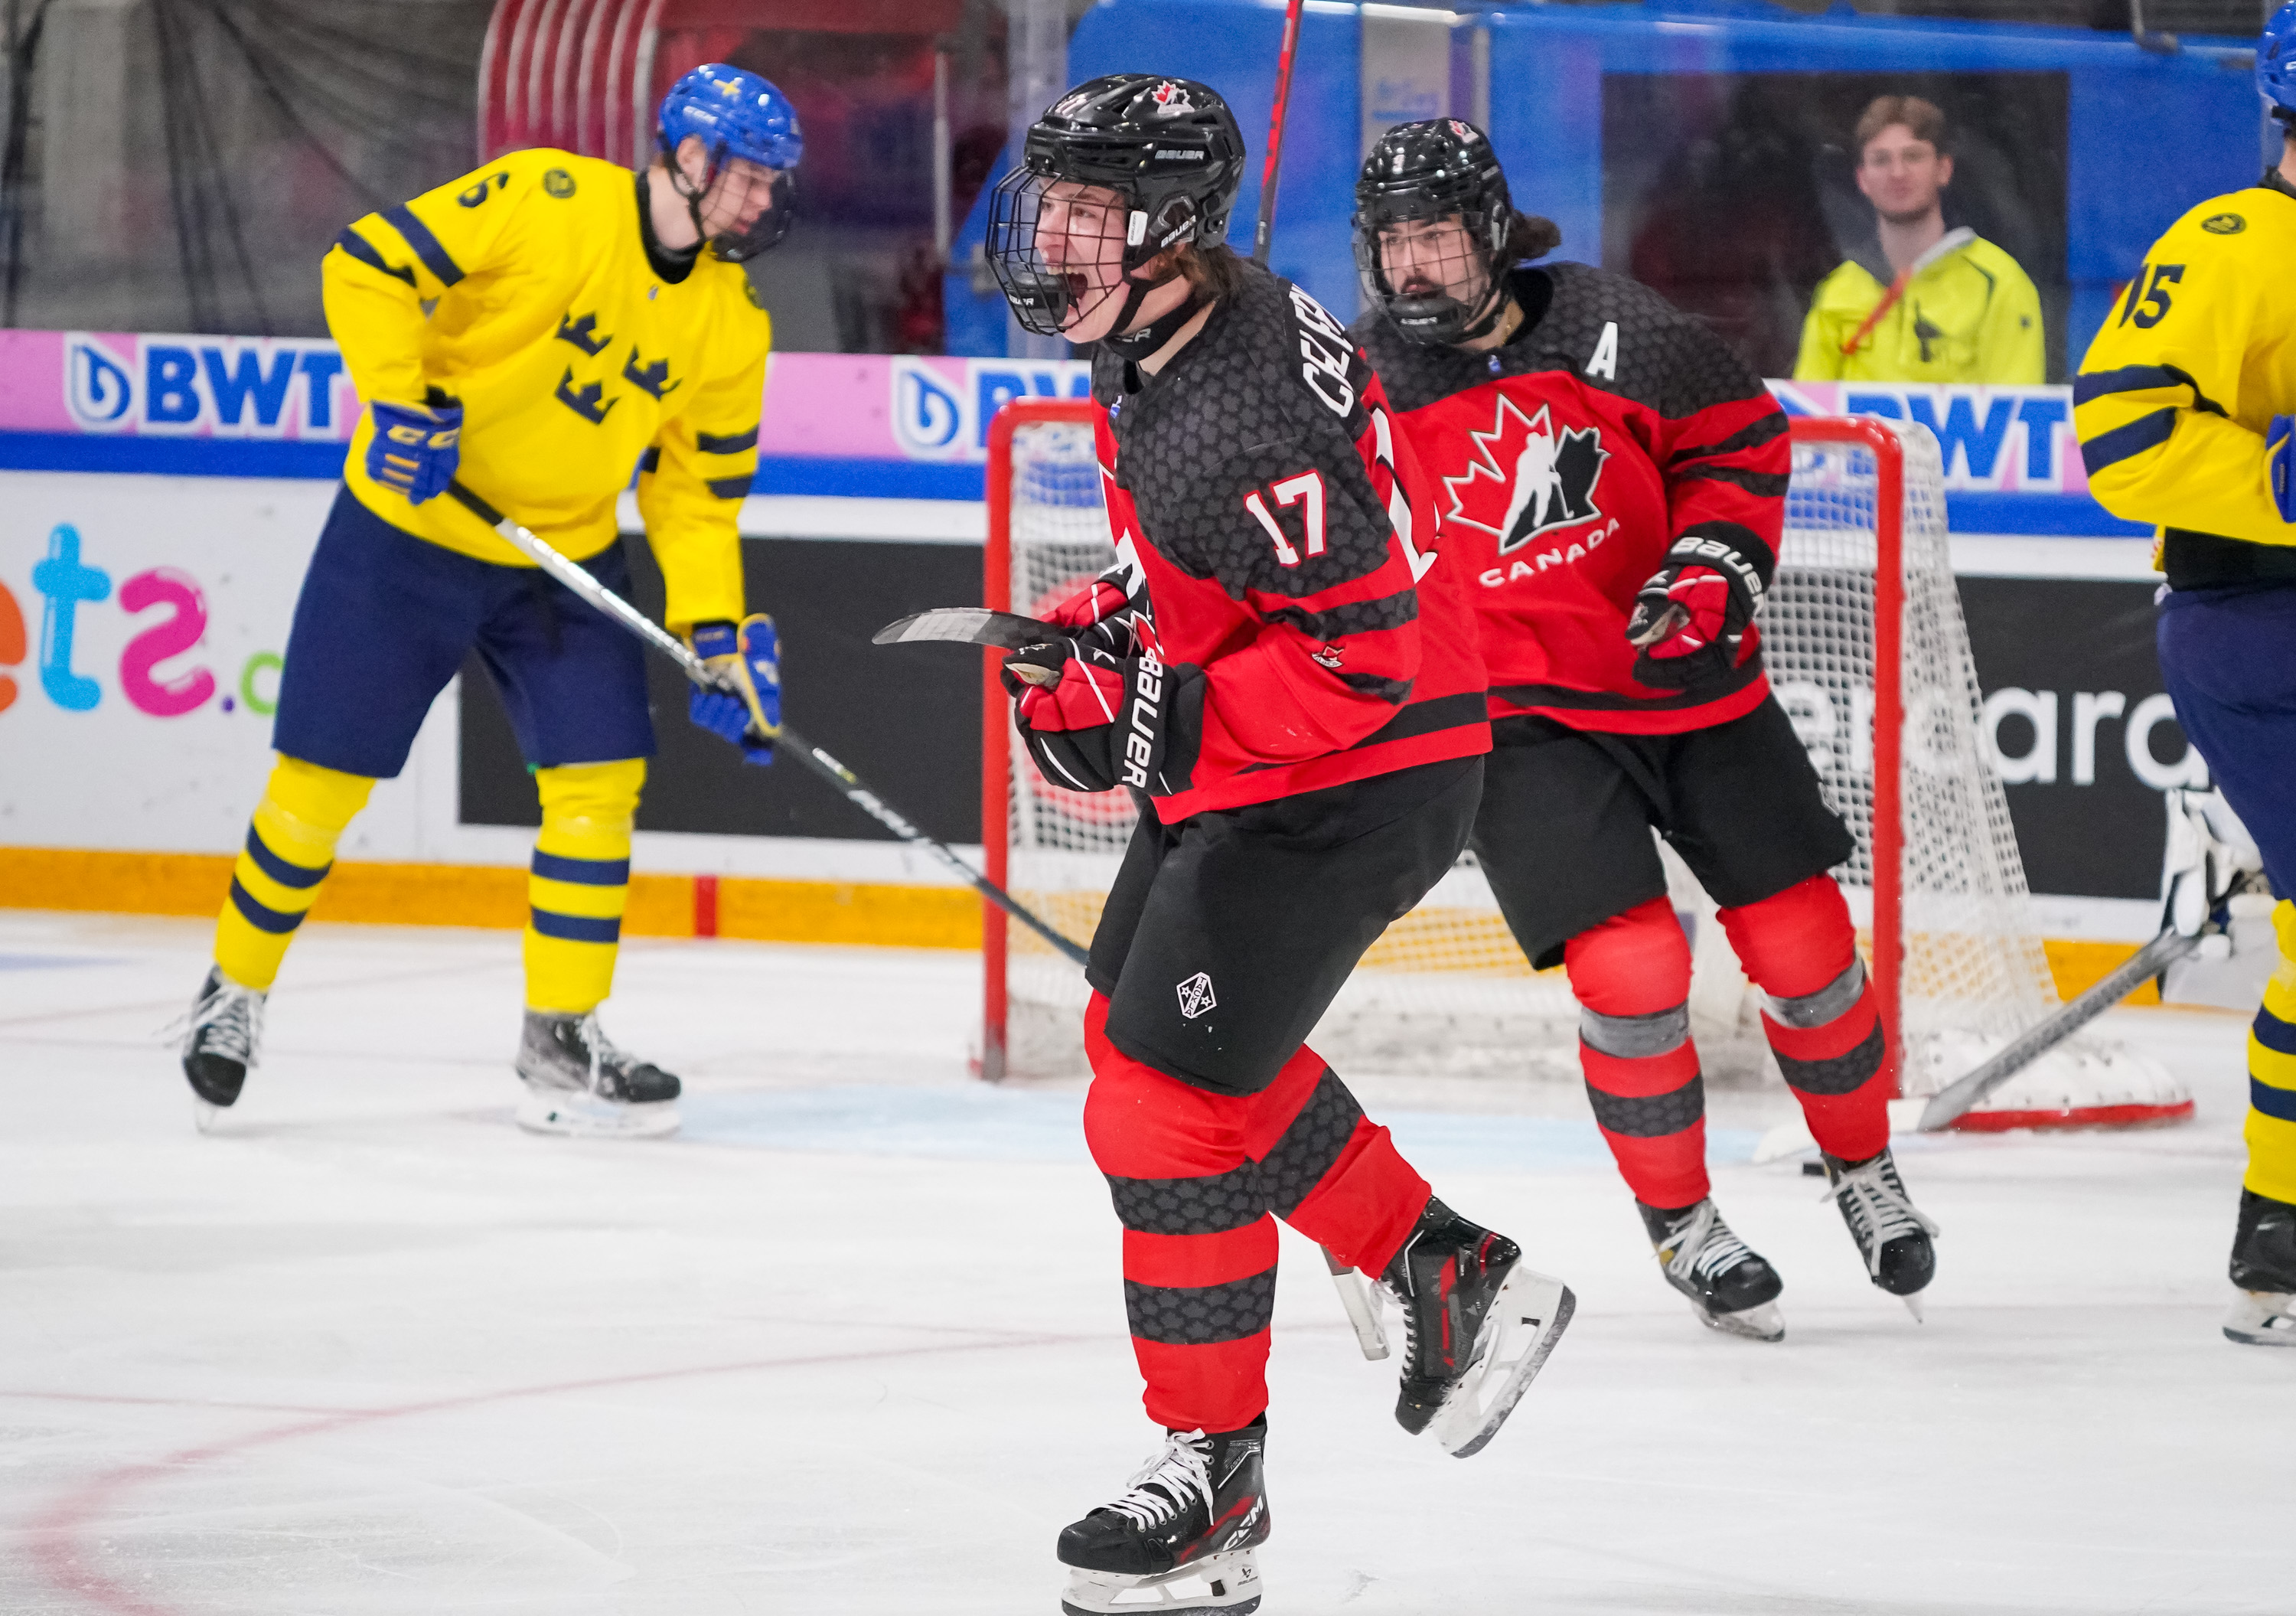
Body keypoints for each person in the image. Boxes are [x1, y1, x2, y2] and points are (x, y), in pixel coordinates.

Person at [980, 75, 1574, 1614]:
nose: (1055, 235)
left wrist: (1148, 718)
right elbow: (1213, 569)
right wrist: (1110, 632)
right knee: (1150, 1038)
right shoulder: (1178, 330)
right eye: (1054, 202)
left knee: (1167, 1100)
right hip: (1316, 743)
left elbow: (1356, 654)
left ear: (1174, 222)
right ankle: (1441, 1262)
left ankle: (1212, 1478)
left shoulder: (1232, 399)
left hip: (1364, 761)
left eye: (1091, 210)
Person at [1348, 118, 1939, 1343]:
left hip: (1689, 682)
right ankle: (1683, 1222)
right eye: (1392, 240)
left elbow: (1742, 446)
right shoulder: (1359, 385)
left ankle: (1865, 1165)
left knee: (1807, 945)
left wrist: (1717, 559)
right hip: (1521, 721)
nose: (1412, 266)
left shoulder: (1616, 328)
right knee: (1632, 972)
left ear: (1495, 231)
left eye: (1437, 236)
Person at [174, 64, 797, 1141]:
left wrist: (713, 634)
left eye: (773, 186)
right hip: (405, 535)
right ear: (689, 159)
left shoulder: (733, 326)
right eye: (749, 179)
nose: (763, 204)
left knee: (600, 781)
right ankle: (233, 991)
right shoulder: (545, 199)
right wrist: (404, 399)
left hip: (559, 560)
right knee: (317, 789)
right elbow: (365, 267)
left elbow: (696, 500)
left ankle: (561, 1030)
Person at [2073, 4, 2296, 1349]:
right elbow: (2123, 429)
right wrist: (2278, 480)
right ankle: (2277, 1216)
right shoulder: (2232, 245)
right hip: (2259, 622)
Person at [1795, 95, 2043, 385]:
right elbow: (1811, 418)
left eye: (1913, 156)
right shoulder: (1836, 293)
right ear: (1862, 179)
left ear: (1944, 169)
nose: (1897, 173)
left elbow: (2014, 414)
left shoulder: (2001, 284)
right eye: (1881, 160)